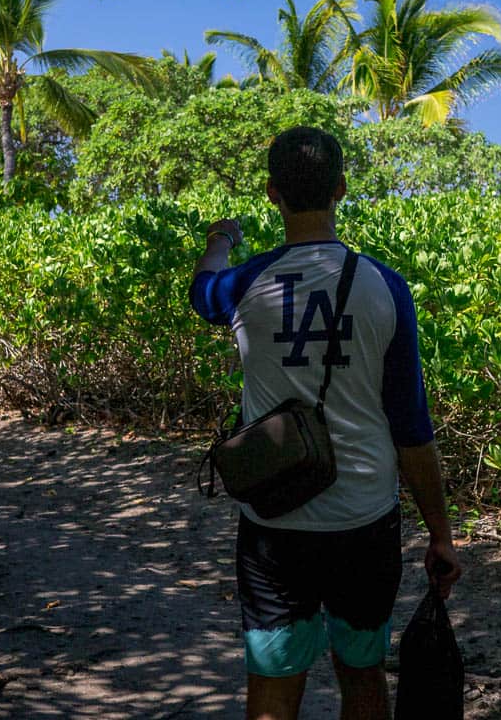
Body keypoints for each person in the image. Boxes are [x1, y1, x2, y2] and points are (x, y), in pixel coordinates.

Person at [189, 125, 462, 720]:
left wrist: (221, 239)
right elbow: (412, 429)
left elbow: (201, 288)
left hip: (273, 520)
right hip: (364, 519)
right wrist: (440, 532)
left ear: (271, 193)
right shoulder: (385, 288)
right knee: (363, 677)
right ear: (341, 188)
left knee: (273, 683)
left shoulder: (242, 285)